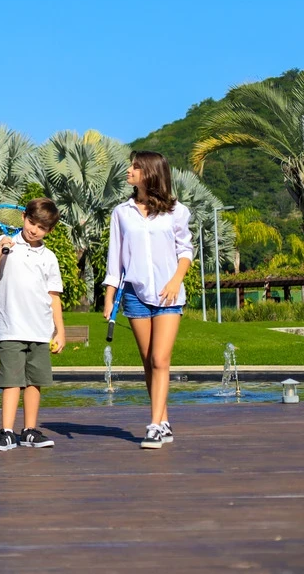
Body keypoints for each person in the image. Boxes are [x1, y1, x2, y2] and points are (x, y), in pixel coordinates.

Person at [104, 150, 193, 449]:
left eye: (135, 167)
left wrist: (176, 279)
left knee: (160, 359)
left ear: (151, 173)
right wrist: (109, 298)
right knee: (147, 363)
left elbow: (185, 251)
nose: (129, 171)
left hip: (169, 295)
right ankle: (163, 420)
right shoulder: (121, 212)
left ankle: (155, 425)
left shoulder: (176, 211)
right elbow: (114, 260)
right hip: (135, 295)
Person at [0, 197, 66, 451]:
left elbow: (53, 296)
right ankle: (6, 432)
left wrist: (59, 330)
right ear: (23, 218)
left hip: (40, 329)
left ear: (48, 231)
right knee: (11, 380)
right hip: (11, 327)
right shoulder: (3, 243)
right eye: (31, 223)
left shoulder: (49, 257)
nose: (33, 230)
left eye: (41, 227)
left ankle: (29, 430)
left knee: (34, 381)